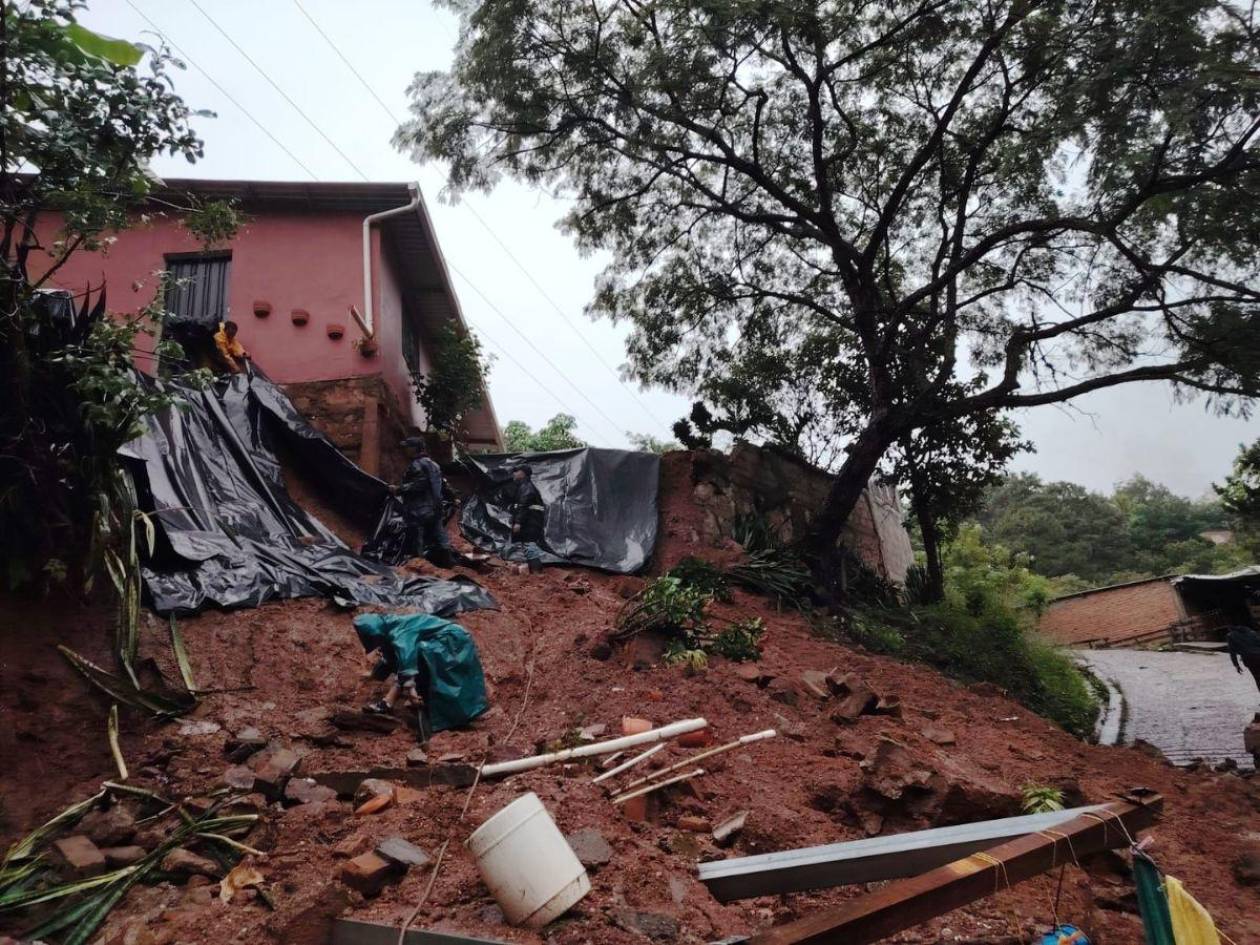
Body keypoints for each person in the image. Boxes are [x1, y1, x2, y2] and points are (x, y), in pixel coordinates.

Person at [391, 437, 453, 567]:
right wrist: (451, 497)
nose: (405, 450)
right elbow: (442, 484)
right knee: (440, 535)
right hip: (436, 507)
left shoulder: (416, 464)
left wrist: (399, 489)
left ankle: (420, 567)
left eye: (407, 447)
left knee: (417, 538)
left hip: (419, 509)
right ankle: (448, 564)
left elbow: (420, 484)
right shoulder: (434, 465)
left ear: (414, 449)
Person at [504, 464, 546, 573]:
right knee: (527, 545)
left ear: (522, 474)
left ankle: (537, 572)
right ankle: (532, 570)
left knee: (529, 545)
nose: (514, 473)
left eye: (516, 471)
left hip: (530, 523)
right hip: (531, 522)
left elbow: (523, 506)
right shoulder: (524, 486)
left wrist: (518, 522)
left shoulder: (527, 488)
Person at [1225, 623, 1260, 695]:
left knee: (1258, 678)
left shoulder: (1231, 636)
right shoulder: (1252, 632)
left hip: (1249, 659)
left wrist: (1236, 665)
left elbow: (1232, 652)